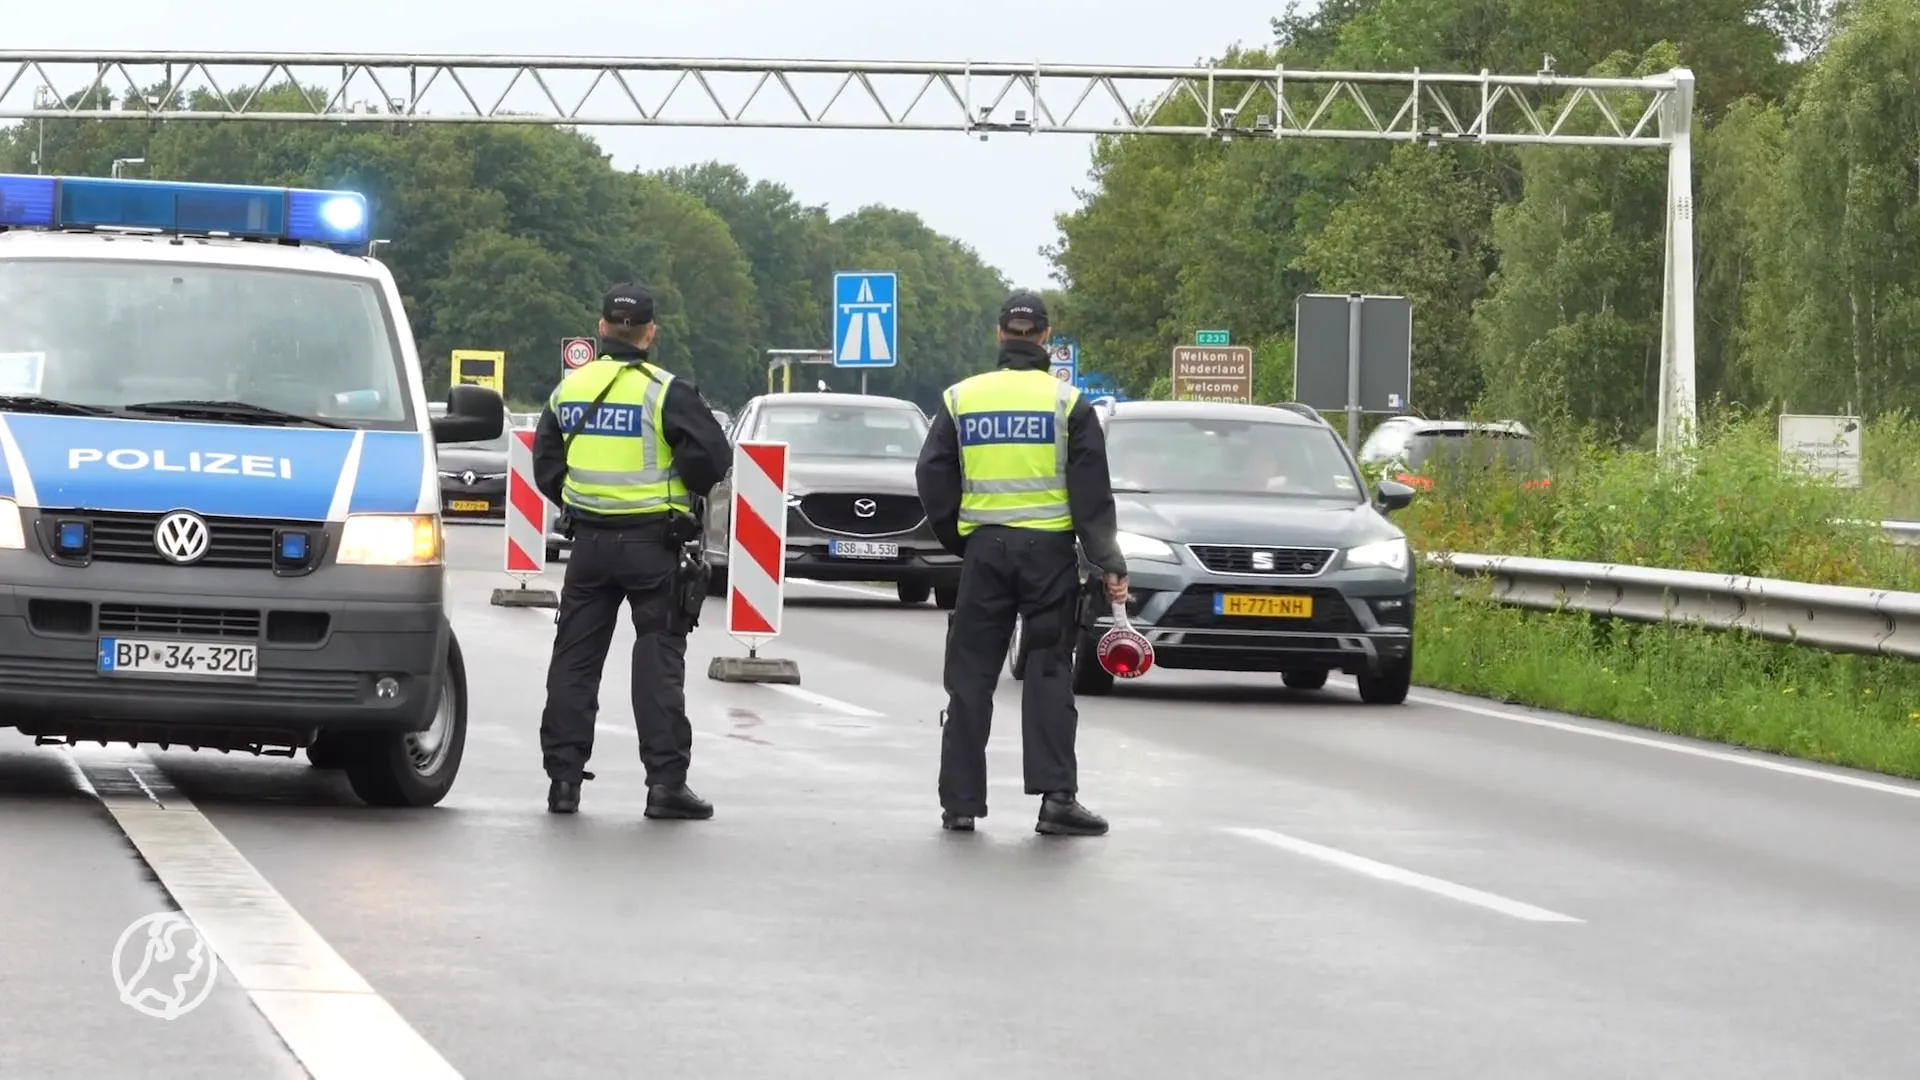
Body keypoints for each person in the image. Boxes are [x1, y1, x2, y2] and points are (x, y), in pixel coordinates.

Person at [915, 289, 1129, 836]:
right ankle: (1057, 799)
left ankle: (959, 803)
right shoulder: (1068, 403)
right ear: (1046, 339)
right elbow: (1091, 492)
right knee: (1048, 673)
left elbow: (932, 475)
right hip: (1049, 555)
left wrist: (961, 537)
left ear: (999, 335)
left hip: (985, 550)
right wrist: (1107, 559)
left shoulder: (962, 398)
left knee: (971, 678)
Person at [531, 283, 731, 818]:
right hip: (652, 546)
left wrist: (585, 500)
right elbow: (713, 458)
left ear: (600, 330)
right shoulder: (665, 391)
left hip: (589, 545)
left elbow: (546, 468)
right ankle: (666, 785)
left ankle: (563, 782)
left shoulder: (568, 390)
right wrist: (678, 484)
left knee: (574, 663)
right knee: (657, 663)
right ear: (650, 332)